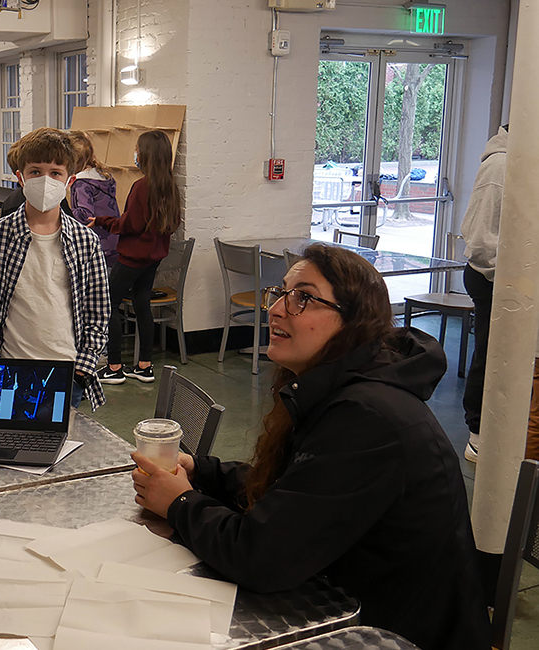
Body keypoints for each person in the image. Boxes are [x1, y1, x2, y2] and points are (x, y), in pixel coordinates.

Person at [131, 243, 490, 650]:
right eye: (281, 292)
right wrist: (203, 472)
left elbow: (261, 558)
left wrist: (180, 504)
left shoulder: (368, 418)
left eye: (303, 297)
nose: (278, 308)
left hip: (393, 635)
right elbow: (301, 487)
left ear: (353, 321)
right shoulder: (345, 389)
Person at [0, 127, 110, 409]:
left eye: (55, 173)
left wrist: (83, 365)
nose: (45, 180)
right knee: (4, 446)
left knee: (59, 449)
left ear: (69, 181)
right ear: (20, 177)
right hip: (7, 372)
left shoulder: (86, 241)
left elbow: (98, 311)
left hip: (66, 374)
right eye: (35, 171)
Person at [93, 130, 181, 385]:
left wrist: (101, 221)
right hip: (153, 258)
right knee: (142, 304)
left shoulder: (142, 186)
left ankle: (114, 366)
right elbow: (171, 223)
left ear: (146, 156)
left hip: (132, 257)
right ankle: (144, 366)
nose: (136, 155)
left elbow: (129, 224)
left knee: (108, 304)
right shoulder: (170, 186)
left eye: (137, 150)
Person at [460, 124, 507, 463]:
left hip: (508, 278)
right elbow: (480, 243)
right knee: (491, 353)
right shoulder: (499, 166)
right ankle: (477, 433)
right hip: (491, 278)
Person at [67, 130, 120, 267]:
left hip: (97, 246)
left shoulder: (81, 183)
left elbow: (85, 215)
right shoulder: (101, 177)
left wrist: (63, 213)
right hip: (113, 242)